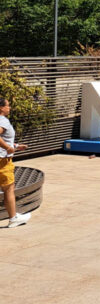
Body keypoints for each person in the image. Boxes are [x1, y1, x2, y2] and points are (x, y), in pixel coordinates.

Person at [0, 97, 30, 228]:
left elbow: (4, 138)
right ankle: (13, 218)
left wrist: (16, 146)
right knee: (9, 189)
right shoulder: (3, 120)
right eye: (8, 105)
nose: (9, 108)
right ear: (1, 108)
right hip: (3, 161)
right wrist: (8, 148)